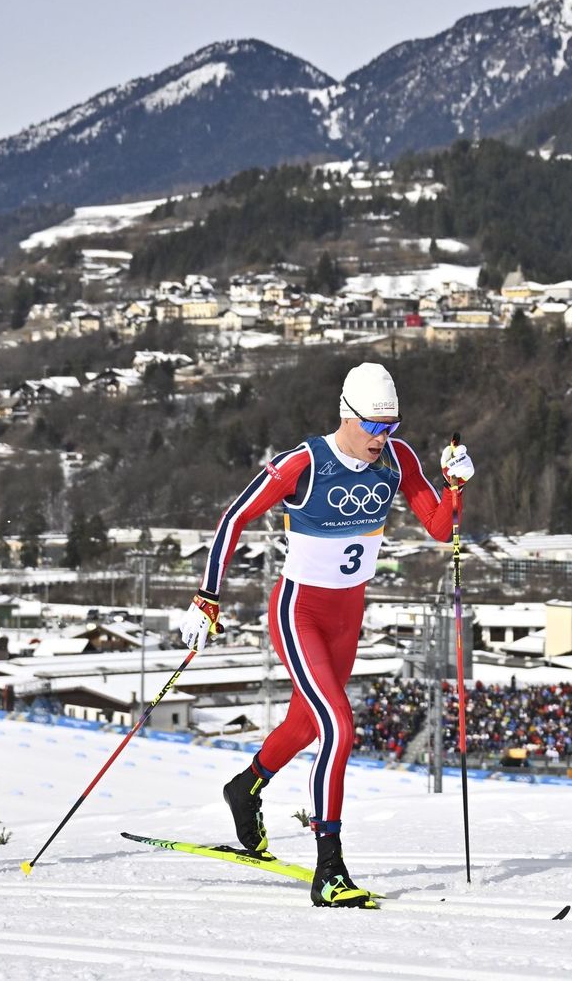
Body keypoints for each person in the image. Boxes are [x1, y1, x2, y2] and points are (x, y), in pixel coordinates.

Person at [182, 362, 472, 908]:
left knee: (304, 722)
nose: (383, 438)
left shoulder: (398, 458)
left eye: (392, 426)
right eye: (374, 427)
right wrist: (207, 596)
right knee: (338, 726)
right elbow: (233, 518)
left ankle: (245, 787)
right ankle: (330, 869)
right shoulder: (305, 463)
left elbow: (439, 528)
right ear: (347, 416)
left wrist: (454, 486)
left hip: (347, 617)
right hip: (301, 613)